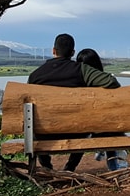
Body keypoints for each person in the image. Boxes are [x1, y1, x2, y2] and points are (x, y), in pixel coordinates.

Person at [28, 34, 120, 172]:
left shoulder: (35, 75)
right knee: (84, 125)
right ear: (72, 52)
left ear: (53, 51)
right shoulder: (80, 70)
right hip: (74, 131)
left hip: (44, 132)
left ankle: (47, 167)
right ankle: (70, 167)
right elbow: (111, 82)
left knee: (36, 131)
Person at [76, 48, 129, 172]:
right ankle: (116, 168)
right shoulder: (107, 81)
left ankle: (70, 166)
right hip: (104, 128)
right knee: (110, 128)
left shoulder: (77, 85)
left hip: (81, 128)